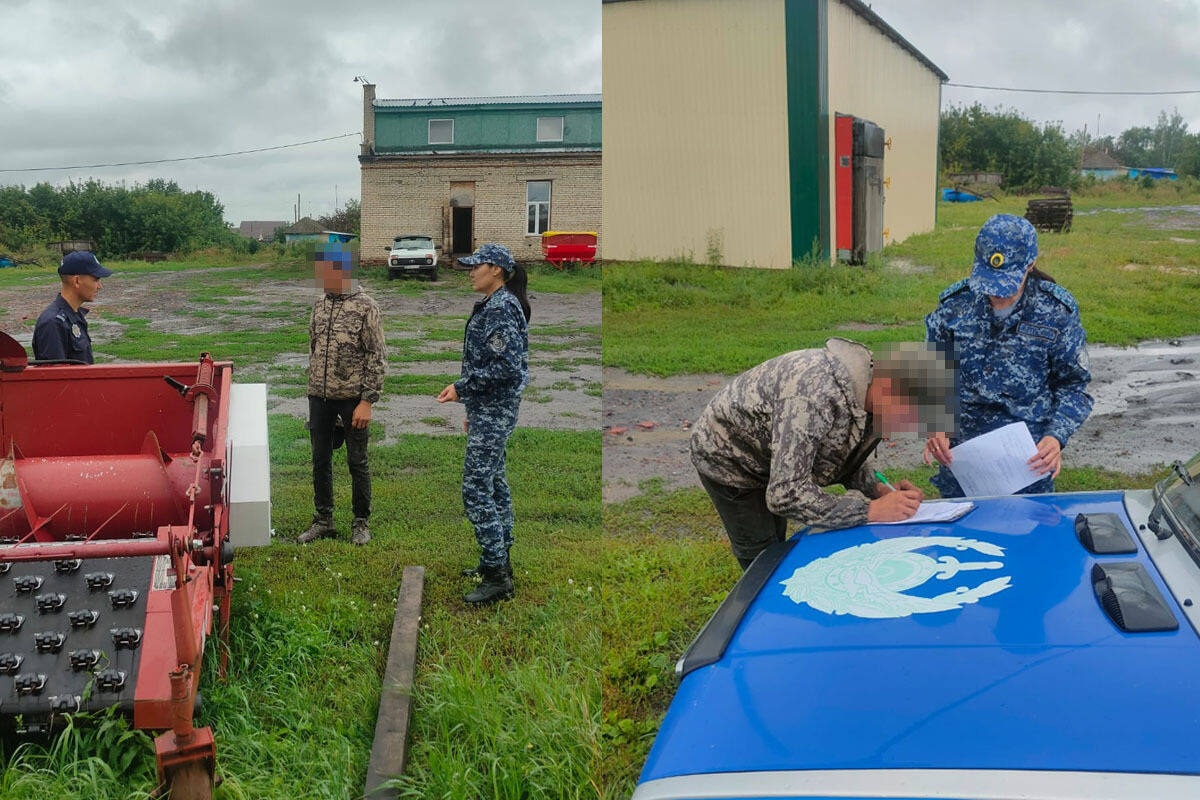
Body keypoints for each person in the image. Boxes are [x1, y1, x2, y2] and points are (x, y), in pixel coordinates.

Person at [690, 337, 956, 569]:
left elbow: (839, 454)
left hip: (772, 455)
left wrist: (877, 488)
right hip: (730, 458)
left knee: (778, 546)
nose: (900, 429)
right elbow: (785, 494)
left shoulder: (872, 394)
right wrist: (871, 511)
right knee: (763, 558)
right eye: (906, 417)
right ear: (887, 388)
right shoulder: (813, 397)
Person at [924, 213, 1093, 497]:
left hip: (1026, 467)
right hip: (963, 466)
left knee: (1029, 538)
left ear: (1030, 264)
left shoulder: (1055, 313)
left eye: (1006, 283)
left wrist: (1055, 437)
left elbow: (1074, 387)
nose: (996, 294)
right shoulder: (955, 306)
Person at [436, 243, 531, 605]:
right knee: (494, 483)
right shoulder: (495, 305)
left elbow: (504, 368)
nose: (471, 271)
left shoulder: (502, 308)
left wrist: (462, 389)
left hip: (496, 409)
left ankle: (497, 577)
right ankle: (499, 560)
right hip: (489, 409)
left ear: (497, 270)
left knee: (476, 487)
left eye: (478, 266)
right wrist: (472, 408)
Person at [297, 243, 385, 546]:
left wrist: (366, 401)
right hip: (319, 397)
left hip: (352, 399)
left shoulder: (366, 306)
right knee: (320, 458)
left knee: (356, 460)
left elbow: (377, 356)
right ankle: (324, 519)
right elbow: (313, 347)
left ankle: (360, 522)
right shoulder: (319, 305)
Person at [31, 251, 113, 364]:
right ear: (77, 281)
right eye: (95, 280)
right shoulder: (53, 323)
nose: (100, 286)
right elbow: (57, 377)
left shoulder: (74, 315)